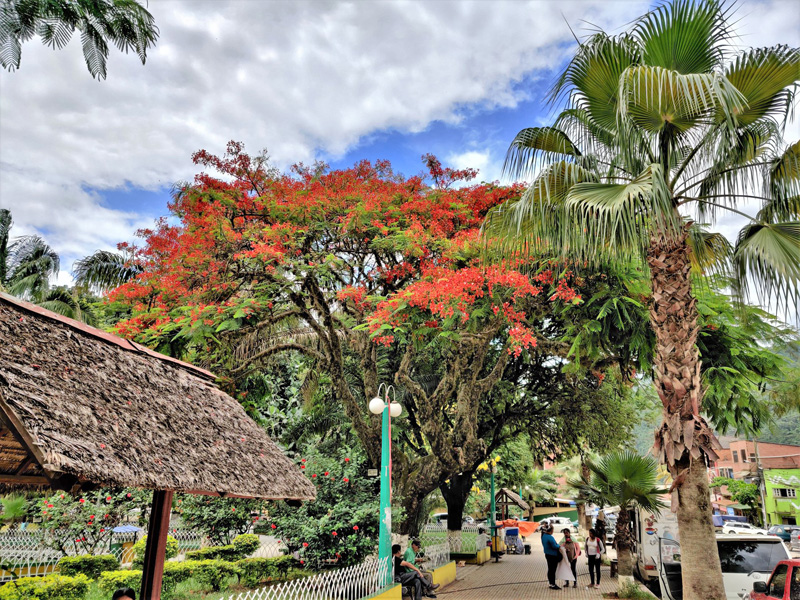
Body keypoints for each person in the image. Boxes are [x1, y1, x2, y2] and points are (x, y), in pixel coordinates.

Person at [541, 523, 561, 590]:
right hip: (553, 555)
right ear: (551, 530)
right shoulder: (550, 537)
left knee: (550, 569)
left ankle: (550, 583)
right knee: (553, 570)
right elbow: (554, 546)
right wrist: (559, 546)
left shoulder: (543, 536)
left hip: (547, 554)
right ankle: (553, 584)